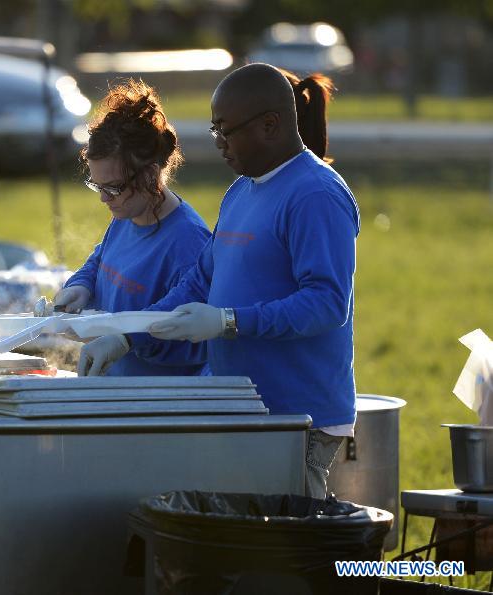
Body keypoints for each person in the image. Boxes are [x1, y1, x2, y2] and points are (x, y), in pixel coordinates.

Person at [81, 63, 360, 499]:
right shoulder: (242, 191)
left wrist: (229, 321)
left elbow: (326, 303)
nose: (219, 145)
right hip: (245, 407)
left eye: (225, 132)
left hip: (297, 416)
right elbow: (198, 282)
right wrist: (127, 333)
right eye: (214, 132)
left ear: (270, 125)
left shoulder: (316, 194)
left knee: (288, 557)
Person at [54, 79, 211, 376]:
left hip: (157, 405)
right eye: (96, 186)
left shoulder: (189, 243)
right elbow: (102, 258)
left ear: (150, 175)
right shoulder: (126, 215)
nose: (103, 198)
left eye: (112, 187)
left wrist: (128, 340)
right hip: (116, 393)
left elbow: (192, 343)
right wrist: (81, 285)